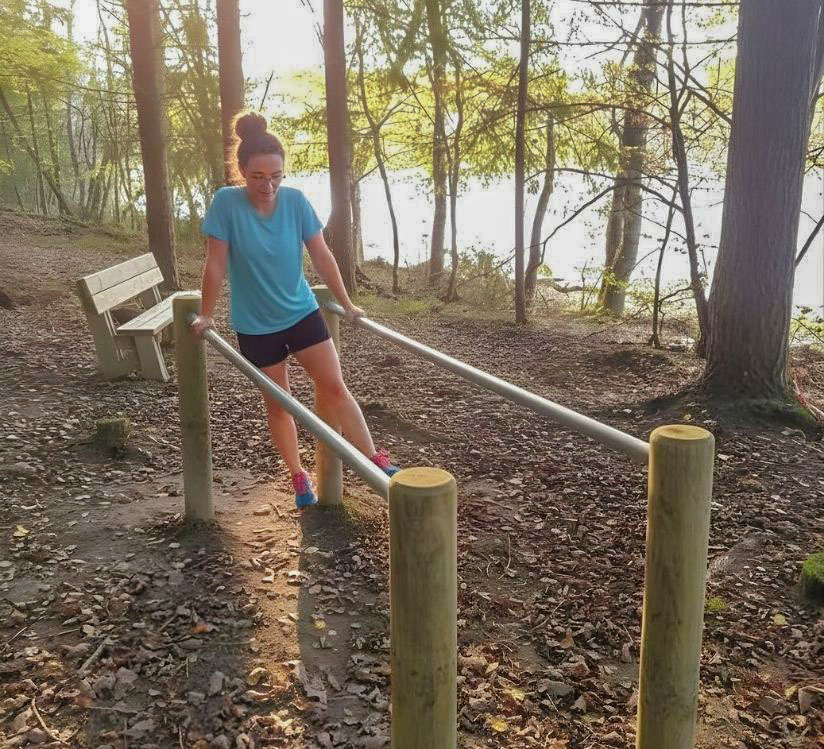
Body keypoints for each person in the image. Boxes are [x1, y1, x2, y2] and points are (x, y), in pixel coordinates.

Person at [190, 111, 399, 509]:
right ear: (241, 172)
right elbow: (215, 263)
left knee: (335, 388)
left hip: (302, 313)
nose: (268, 185)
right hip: (256, 326)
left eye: (276, 176)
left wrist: (349, 304)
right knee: (280, 403)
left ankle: (375, 460)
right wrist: (206, 313)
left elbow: (322, 255)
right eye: (257, 177)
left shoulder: (296, 201)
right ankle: (299, 478)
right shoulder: (226, 204)